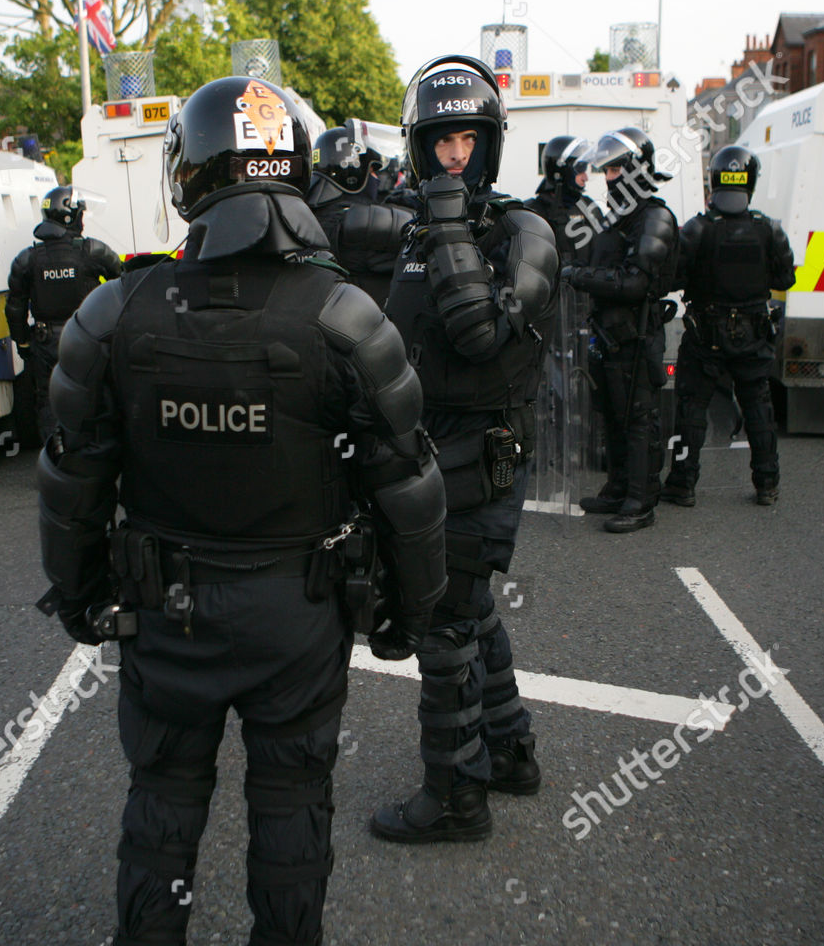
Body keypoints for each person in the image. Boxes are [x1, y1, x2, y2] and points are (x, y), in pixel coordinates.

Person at [36, 75, 446, 946]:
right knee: (292, 805)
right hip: (295, 613)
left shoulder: (114, 312)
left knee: (162, 804)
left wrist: (75, 596)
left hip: (164, 611)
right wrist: (411, 614)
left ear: (190, 175)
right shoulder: (346, 316)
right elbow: (408, 486)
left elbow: (72, 479)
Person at [374, 55, 558, 843]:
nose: (455, 157)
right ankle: (511, 750)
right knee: (473, 609)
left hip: (481, 461)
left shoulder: (524, 231)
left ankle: (455, 797)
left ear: (491, 144)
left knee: (445, 625)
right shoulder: (417, 232)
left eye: (468, 141)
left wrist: (449, 224)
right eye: (441, 142)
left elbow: (480, 335)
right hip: (425, 453)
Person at [661, 145, 794, 507]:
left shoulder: (698, 229)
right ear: (750, 183)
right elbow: (786, 277)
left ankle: (683, 484)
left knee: (691, 412)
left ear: (714, 181)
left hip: (706, 336)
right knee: (759, 410)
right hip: (753, 334)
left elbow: (673, 277)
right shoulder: (768, 230)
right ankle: (767, 483)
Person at [562, 126, 679, 532]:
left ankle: (641, 502)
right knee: (612, 416)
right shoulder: (616, 219)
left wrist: (579, 275)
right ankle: (617, 488)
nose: (607, 178)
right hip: (608, 335)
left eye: (614, 170)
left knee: (639, 420)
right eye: (605, 170)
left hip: (636, 336)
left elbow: (634, 282)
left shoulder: (655, 217)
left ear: (634, 170)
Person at [6, 186, 122, 442]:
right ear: (70, 217)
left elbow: (15, 306)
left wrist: (23, 342)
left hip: (45, 340)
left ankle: (56, 456)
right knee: (93, 393)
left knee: (49, 399)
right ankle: (91, 453)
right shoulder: (92, 250)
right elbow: (122, 283)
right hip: (86, 336)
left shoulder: (27, 258)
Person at [305, 125, 410, 306]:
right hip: (370, 322)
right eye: (372, 171)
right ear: (354, 173)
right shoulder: (358, 219)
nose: (375, 178)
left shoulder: (306, 214)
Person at [523, 135, 599, 269]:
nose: (585, 177)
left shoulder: (589, 208)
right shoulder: (532, 213)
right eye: (580, 170)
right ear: (562, 171)